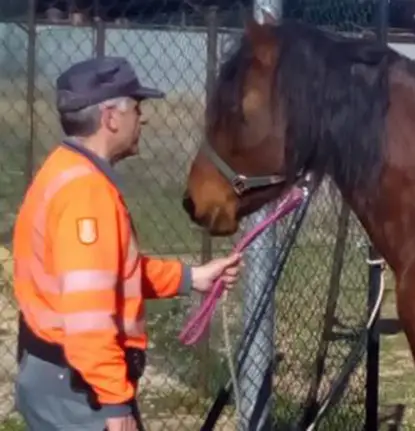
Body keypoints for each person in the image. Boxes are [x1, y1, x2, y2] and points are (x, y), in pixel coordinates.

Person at [11, 56, 243, 431]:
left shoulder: (63, 169)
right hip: (79, 392)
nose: (143, 119)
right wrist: (115, 403)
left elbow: (111, 272)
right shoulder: (87, 193)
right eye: (137, 108)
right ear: (111, 118)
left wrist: (191, 278)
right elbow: (88, 317)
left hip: (58, 376)